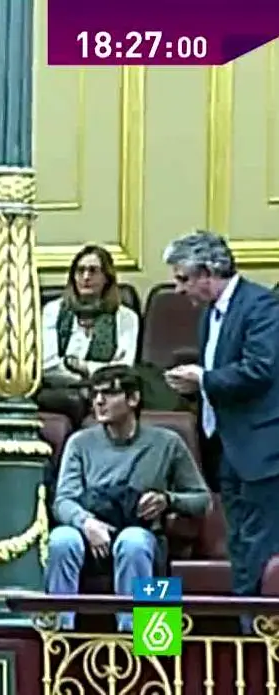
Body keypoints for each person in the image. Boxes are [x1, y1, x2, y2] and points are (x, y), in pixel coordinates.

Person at [162, 230, 279, 628]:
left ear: (208, 272)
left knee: (261, 550)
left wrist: (204, 379)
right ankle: (246, 635)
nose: (178, 289)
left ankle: (260, 639)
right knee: (242, 549)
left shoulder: (260, 306)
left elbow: (261, 370)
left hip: (262, 450)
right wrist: (200, 386)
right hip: (228, 449)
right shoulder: (210, 315)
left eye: (182, 278)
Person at [48, 365, 209, 631]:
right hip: (91, 532)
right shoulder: (79, 442)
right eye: (95, 394)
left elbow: (202, 500)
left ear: (133, 399)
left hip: (141, 533)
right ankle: (57, 637)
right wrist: (87, 523)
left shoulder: (167, 442)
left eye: (109, 394)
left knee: (132, 542)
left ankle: (142, 644)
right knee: (60, 540)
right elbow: (63, 500)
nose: (98, 401)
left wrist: (168, 499)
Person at [37, 245, 140, 424]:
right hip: (59, 391)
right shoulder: (53, 311)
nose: (86, 277)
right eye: (80, 271)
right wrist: (86, 380)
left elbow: (122, 368)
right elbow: (48, 366)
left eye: (93, 271)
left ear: (106, 277)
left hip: (109, 392)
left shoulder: (125, 317)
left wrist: (82, 366)